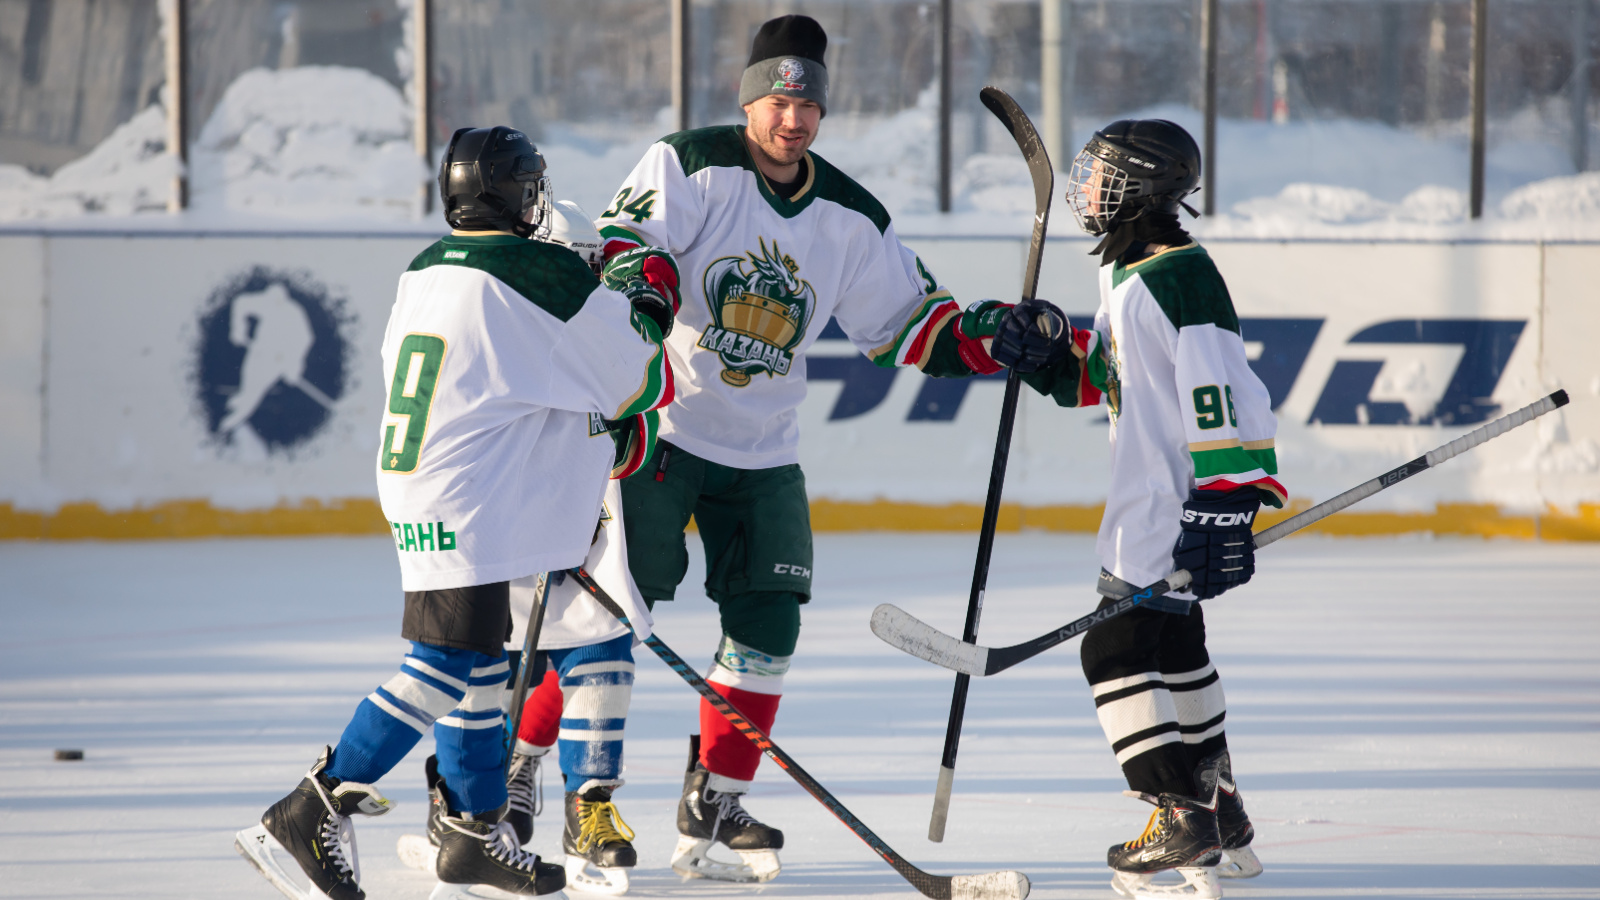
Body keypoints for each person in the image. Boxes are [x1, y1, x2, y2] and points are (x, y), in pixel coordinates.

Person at [509, 13, 1063, 885]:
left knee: (767, 628)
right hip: (663, 433)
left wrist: (998, 335)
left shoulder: (849, 215)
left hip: (764, 452)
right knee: (606, 616)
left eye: (806, 102)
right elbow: (625, 244)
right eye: (775, 97)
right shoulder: (690, 163)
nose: (791, 117)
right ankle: (523, 767)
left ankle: (715, 796)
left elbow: (914, 327)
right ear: (750, 98)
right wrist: (645, 279)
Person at [234, 124, 678, 900]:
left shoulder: (426, 266)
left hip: (428, 482)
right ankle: (314, 804)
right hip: (474, 498)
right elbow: (639, 381)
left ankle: (474, 832)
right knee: (439, 667)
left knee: (476, 664)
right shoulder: (537, 273)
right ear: (517, 194)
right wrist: (642, 297)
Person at [1011, 119, 1279, 900]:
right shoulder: (1129, 270)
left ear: (1140, 186)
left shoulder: (1178, 272)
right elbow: (1108, 377)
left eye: (1100, 175)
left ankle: (1179, 815)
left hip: (1171, 504)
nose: (1084, 189)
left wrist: (1226, 503)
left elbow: (1227, 394)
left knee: (1114, 653)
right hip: (1150, 497)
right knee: (1174, 644)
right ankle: (1221, 807)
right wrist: (1048, 359)